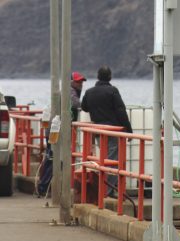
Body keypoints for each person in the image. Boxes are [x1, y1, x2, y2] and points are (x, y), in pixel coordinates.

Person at [81, 66, 133, 195]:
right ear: (110, 76)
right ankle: (106, 190)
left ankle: (105, 189)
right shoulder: (112, 91)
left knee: (105, 159)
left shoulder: (89, 92)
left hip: (98, 131)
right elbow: (121, 111)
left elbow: (84, 107)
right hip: (112, 130)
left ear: (98, 76)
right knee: (113, 161)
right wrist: (128, 130)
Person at [37, 71, 86, 197]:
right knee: (54, 158)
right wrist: (86, 105)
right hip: (57, 130)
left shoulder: (64, 91)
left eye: (81, 81)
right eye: (78, 81)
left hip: (54, 129)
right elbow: (76, 104)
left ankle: (43, 186)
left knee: (50, 158)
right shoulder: (69, 91)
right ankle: (44, 187)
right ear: (71, 81)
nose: (80, 84)